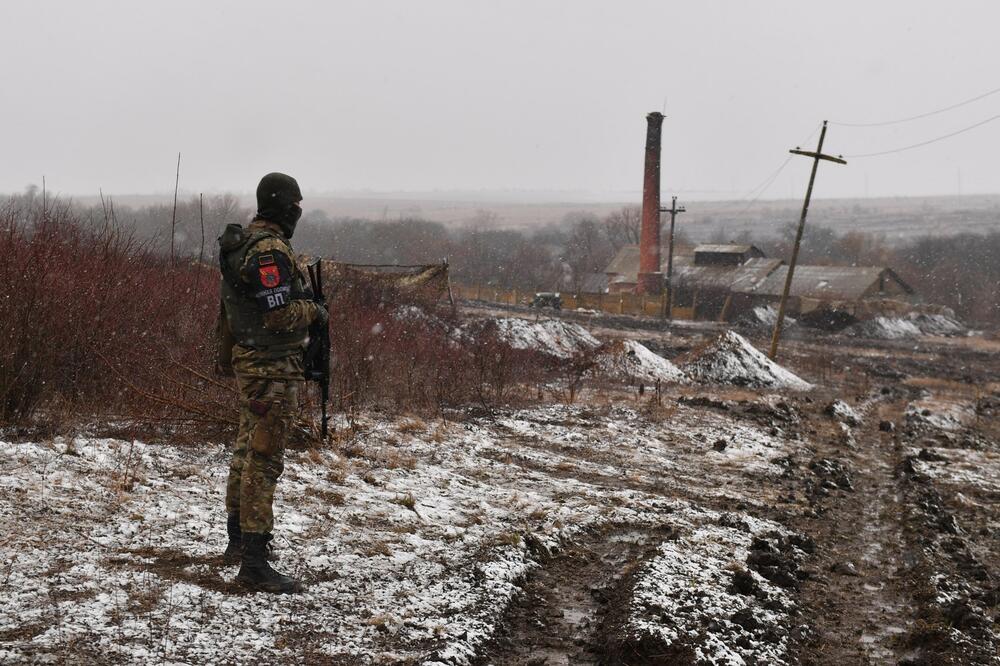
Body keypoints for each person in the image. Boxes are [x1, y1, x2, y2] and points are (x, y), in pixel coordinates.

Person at [216, 172, 327, 593]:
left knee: (247, 450)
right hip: (270, 367)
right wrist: (315, 312)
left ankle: (239, 543)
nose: (298, 212)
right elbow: (278, 316)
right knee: (263, 459)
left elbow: (230, 310)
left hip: (251, 361)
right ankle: (255, 564)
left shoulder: (241, 243)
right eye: (295, 205)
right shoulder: (269, 252)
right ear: (283, 206)